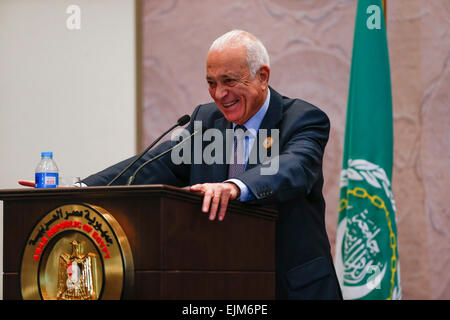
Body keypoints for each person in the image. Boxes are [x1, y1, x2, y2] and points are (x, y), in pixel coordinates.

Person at [82, 30, 342, 300]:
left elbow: (292, 168)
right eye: (211, 82)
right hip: (224, 285)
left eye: (229, 81)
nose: (219, 94)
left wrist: (234, 187)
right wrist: (80, 188)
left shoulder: (303, 119)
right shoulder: (205, 121)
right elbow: (151, 164)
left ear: (262, 76)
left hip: (292, 288)